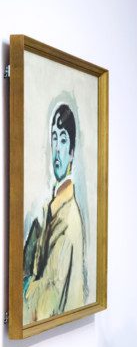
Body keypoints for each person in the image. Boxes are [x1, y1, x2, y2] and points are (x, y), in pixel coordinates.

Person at [24, 103, 87, 323]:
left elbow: (48, 299)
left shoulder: (68, 218)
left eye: (63, 139)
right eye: (54, 137)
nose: (57, 148)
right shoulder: (51, 208)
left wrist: (24, 291)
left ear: (71, 153)